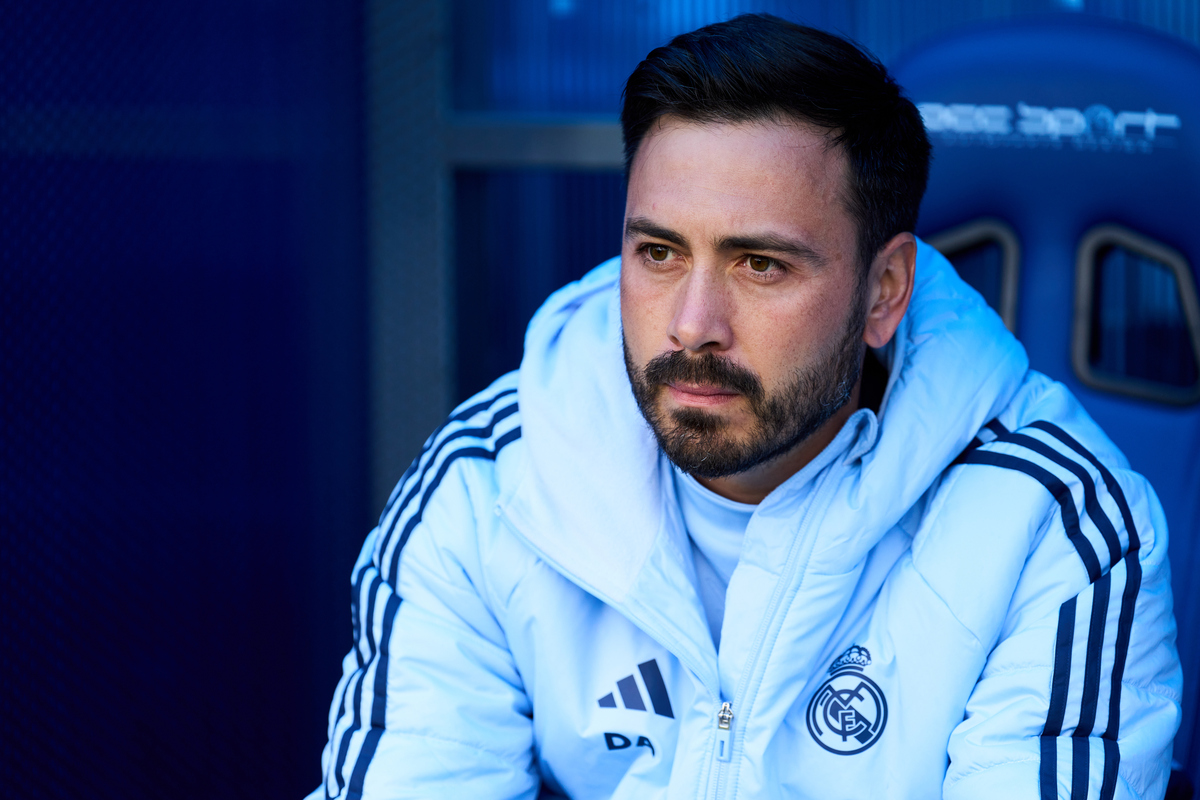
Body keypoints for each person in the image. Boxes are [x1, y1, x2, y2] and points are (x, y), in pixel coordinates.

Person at [310, 14, 1181, 799]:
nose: (692, 326)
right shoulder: (487, 488)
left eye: (760, 265)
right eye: (657, 252)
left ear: (886, 291)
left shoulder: (1056, 527)